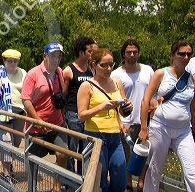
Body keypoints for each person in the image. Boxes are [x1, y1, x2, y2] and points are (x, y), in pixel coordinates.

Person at [139, 40, 195, 191]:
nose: (185, 57)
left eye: (188, 54)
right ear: (172, 56)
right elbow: (146, 100)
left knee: (193, 174)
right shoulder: (161, 73)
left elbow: (192, 109)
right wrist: (144, 128)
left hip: (184, 131)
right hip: (161, 127)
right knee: (154, 169)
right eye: (181, 54)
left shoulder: (192, 78)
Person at [77, 48, 132, 192]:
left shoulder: (117, 83)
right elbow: (81, 115)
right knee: (99, 181)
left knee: (120, 178)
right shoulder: (86, 86)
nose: (108, 69)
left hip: (115, 136)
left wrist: (127, 108)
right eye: (104, 65)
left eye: (111, 65)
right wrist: (102, 107)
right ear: (94, 65)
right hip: (95, 137)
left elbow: (122, 111)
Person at [21, 41, 68, 192]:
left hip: (57, 124)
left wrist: (64, 120)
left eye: (59, 56)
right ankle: (32, 187)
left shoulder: (59, 72)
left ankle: (56, 186)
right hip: (37, 128)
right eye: (53, 56)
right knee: (32, 159)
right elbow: (26, 100)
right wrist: (37, 120)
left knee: (63, 154)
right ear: (45, 56)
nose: (56, 59)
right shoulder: (33, 74)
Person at [111, 39, 154, 191]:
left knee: (145, 155)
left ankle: (141, 183)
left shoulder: (148, 70)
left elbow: (153, 94)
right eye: (128, 52)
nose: (132, 54)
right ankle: (128, 184)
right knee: (126, 156)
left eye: (135, 52)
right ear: (123, 54)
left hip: (145, 122)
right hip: (126, 121)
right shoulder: (116, 74)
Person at [0, 49, 26, 182]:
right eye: (10, 61)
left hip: (19, 113)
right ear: (4, 61)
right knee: (6, 142)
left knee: (16, 142)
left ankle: (8, 165)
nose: (13, 63)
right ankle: (7, 173)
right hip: (2, 113)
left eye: (15, 61)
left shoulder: (23, 73)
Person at [63, 36, 95, 174]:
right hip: (73, 114)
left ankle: (83, 178)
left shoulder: (91, 70)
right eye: (89, 51)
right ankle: (70, 179)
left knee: (86, 149)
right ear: (81, 53)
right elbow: (64, 95)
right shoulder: (69, 70)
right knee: (72, 149)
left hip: (87, 115)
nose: (91, 54)